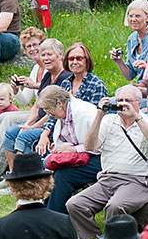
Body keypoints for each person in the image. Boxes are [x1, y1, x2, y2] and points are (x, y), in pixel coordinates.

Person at [66, 86, 148, 239]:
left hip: (138, 181)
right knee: (75, 204)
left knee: (114, 206)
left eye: (128, 101)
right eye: (119, 101)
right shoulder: (109, 120)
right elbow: (90, 146)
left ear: (138, 103)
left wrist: (136, 118)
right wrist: (99, 115)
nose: (123, 104)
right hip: (108, 179)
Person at [0, 37, 69, 185]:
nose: (44, 58)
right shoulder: (46, 75)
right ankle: (0, 170)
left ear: (60, 55)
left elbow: (55, 113)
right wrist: (17, 93)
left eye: (49, 54)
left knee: (9, 121)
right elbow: (33, 104)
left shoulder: (64, 78)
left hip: (50, 122)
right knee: (5, 118)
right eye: (43, 54)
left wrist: (33, 126)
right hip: (39, 117)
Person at [35, 85, 101, 213]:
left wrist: (75, 150)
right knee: (53, 169)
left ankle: (54, 217)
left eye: (48, 109)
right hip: (83, 155)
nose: (48, 114)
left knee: (64, 176)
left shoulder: (86, 113)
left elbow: (99, 145)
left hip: (101, 158)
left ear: (59, 103)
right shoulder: (64, 113)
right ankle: (47, 211)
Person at [109, 0, 148, 93]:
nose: (133, 19)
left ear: (147, 17)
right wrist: (119, 61)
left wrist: (147, 67)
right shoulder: (132, 39)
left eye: (137, 16)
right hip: (139, 88)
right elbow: (129, 76)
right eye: (131, 16)